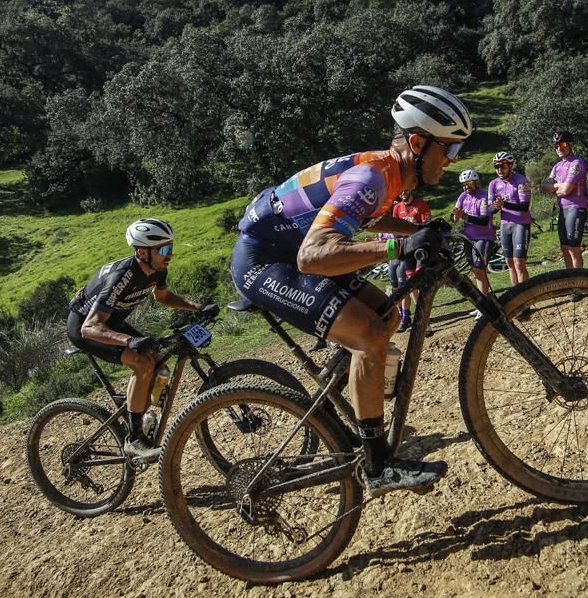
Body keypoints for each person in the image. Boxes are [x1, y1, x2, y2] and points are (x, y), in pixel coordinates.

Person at [230, 85, 471, 497]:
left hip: (295, 249)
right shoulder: (371, 176)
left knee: (388, 314)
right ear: (417, 143)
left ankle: (326, 408)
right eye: (448, 151)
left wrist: (417, 230)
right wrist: (400, 245)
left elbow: (363, 219)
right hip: (267, 260)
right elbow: (313, 256)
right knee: (369, 336)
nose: (452, 162)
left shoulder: (389, 174)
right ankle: (377, 467)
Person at [67, 219, 217, 459]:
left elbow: (164, 297)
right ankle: (133, 439)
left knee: (158, 363)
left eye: (171, 247)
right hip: (86, 327)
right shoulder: (123, 276)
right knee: (143, 363)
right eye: (164, 249)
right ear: (142, 252)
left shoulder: (157, 268)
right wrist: (128, 341)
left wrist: (197, 307)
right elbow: (90, 327)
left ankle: (137, 411)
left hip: (110, 322)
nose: (170, 254)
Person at [541, 130, 588, 270]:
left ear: (571, 144)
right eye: (556, 145)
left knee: (573, 248)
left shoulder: (576, 163)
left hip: (576, 207)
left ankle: (579, 283)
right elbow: (544, 187)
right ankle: (569, 280)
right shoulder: (557, 167)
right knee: (564, 247)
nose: (559, 148)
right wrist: (558, 186)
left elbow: (566, 190)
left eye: (562, 144)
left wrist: (555, 188)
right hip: (563, 210)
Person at [452, 169, 496, 318]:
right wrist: (456, 216)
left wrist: (463, 216)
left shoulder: (484, 196)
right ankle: (482, 304)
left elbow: (483, 221)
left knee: (479, 269)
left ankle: (484, 305)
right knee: (475, 271)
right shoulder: (463, 196)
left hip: (484, 237)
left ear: (476, 183)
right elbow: (455, 217)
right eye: (464, 185)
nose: (466, 187)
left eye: (469, 183)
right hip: (468, 238)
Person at [387, 189, 431, 332]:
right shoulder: (397, 207)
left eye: (405, 191)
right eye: (400, 192)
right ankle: (407, 317)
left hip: (417, 249)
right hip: (403, 249)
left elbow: (427, 227)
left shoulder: (421, 204)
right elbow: (393, 229)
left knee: (417, 284)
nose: (403, 194)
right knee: (407, 285)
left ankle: (422, 318)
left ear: (411, 190)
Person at [489, 151, 533, 286]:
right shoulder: (494, 184)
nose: (499, 170)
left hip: (521, 224)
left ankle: (526, 296)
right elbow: (491, 209)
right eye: (496, 167)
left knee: (519, 262)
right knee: (509, 262)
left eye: (503, 166)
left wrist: (504, 204)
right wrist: (496, 206)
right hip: (505, 225)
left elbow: (524, 207)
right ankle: (517, 295)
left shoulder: (521, 181)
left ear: (510, 166)